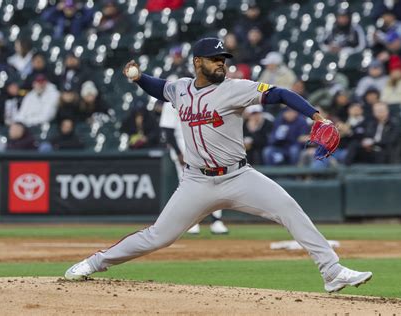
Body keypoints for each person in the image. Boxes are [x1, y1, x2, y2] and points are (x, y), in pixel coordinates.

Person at [65, 37, 373, 293]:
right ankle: (94, 262)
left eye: (223, 59)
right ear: (198, 62)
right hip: (196, 182)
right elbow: (160, 88)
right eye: (215, 59)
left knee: (289, 207)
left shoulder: (234, 88)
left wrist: (316, 117)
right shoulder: (181, 89)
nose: (221, 64)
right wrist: (137, 78)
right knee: (160, 236)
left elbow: (278, 94)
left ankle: (331, 271)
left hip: (239, 176)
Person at [159, 95, 229, 234]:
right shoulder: (172, 102)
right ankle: (191, 222)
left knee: (214, 183)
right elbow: (167, 131)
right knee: (188, 187)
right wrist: (179, 153)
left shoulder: (206, 97)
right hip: (184, 149)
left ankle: (216, 221)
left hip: (207, 148)